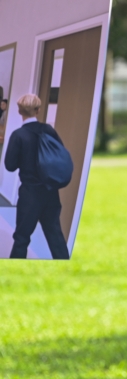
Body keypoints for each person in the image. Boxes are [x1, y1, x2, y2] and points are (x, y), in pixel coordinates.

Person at [3, 94, 70, 259]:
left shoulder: (18, 135)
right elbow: (60, 155)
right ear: (38, 110)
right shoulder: (48, 130)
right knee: (55, 236)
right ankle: (67, 273)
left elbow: (10, 166)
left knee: (22, 238)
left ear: (19, 111)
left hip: (29, 194)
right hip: (50, 192)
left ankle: (15, 275)